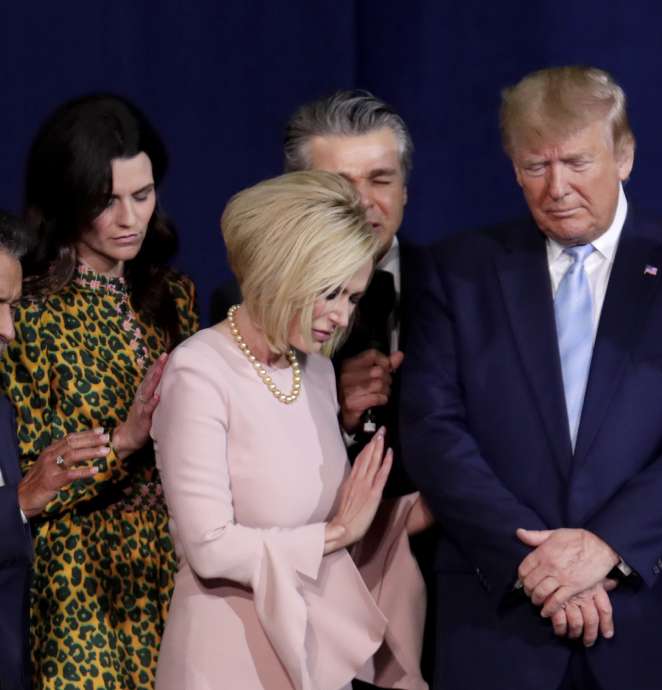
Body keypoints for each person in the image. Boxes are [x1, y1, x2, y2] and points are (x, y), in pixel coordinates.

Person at [400, 65, 662, 690]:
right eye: (536, 166)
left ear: (623, 156)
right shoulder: (458, 271)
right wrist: (534, 566)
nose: (557, 187)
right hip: (504, 624)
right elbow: (433, 430)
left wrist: (608, 547)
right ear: (514, 168)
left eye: (576, 162)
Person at [152, 171, 431, 690]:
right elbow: (208, 547)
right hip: (225, 658)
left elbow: (335, 522)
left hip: (308, 650)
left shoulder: (318, 371)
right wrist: (335, 534)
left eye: (352, 298)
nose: (340, 317)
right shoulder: (199, 371)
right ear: (283, 269)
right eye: (329, 293)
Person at [0, 95, 199, 689]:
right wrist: (126, 439)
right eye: (105, 201)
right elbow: (33, 479)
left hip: (174, 568)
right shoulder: (24, 310)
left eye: (141, 195)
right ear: (68, 201)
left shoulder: (174, 298)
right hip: (77, 584)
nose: (128, 218)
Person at [210, 90, 424, 474]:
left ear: (404, 189)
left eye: (380, 180)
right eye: (338, 184)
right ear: (301, 193)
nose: (361, 202)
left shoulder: (455, 289)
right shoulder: (245, 303)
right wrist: (334, 412)